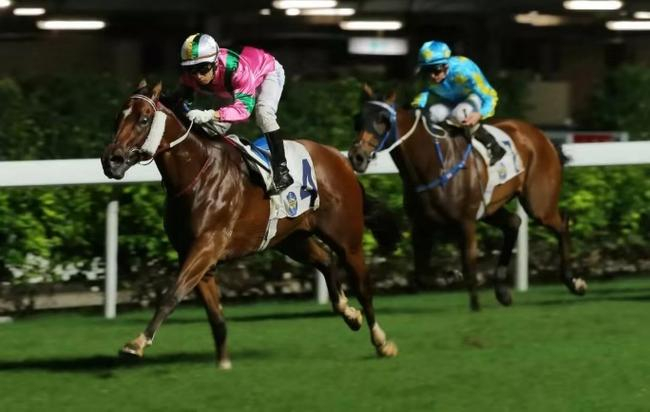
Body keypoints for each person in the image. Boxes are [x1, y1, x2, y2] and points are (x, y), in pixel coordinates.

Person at [174, 33, 293, 194]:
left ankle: (282, 170)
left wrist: (210, 114)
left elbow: (243, 110)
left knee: (263, 114)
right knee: (214, 128)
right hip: (231, 86)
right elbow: (181, 99)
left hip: (266, 72)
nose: (198, 76)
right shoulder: (192, 75)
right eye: (191, 70)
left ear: (215, 62)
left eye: (203, 69)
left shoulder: (237, 70)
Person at [411, 40, 505, 165]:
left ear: (446, 65)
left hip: (472, 98)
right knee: (431, 114)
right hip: (449, 101)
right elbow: (421, 96)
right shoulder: (425, 77)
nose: (432, 76)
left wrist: (480, 113)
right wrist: (416, 108)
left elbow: (490, 95)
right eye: (427, 71)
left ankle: (493, 146)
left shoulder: (464, 70)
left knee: (459, 114)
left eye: (436, 70)